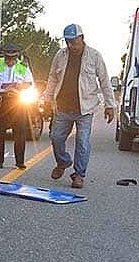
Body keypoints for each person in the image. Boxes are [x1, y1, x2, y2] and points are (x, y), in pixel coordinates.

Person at [42, 24, 116, 189]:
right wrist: (47, 99)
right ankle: (63, 162)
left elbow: (104, 81)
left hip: (85, 108)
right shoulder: (60, 55)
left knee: (82, 141)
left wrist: (110, 105)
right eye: (68, 42)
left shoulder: (94, 56)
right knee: (56, 138)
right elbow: (53, 78)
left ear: (82, 38)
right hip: (62, 107)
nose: (71, 45)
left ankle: (79, 175)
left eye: (74, 41)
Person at [0, 43, 34, 169]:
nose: (10, 60)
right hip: (0, 100)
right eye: (7, 58)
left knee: (20, 132)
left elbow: (29, 83)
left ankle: (20, 161)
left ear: (17, 56)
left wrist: (18, 86)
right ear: (4, 56)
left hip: (17, 100)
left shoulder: (23, 67)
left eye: (12, 58)